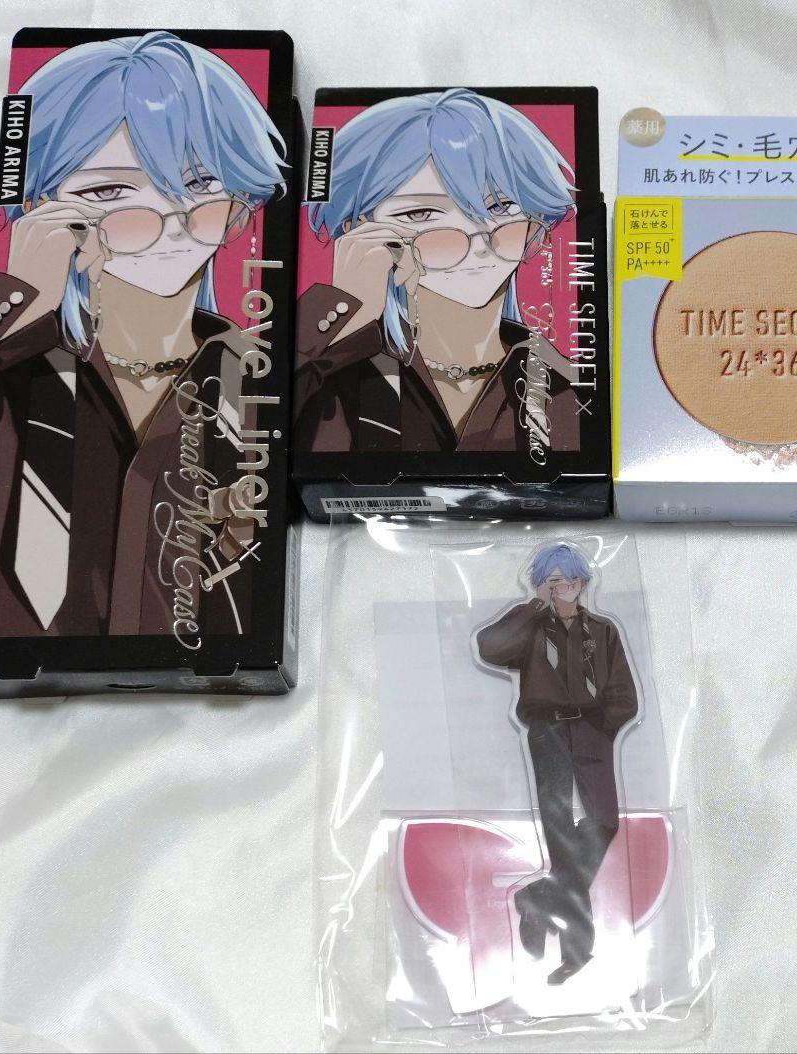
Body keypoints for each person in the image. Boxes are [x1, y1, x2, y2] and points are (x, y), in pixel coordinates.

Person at [0, 31, 287, 640]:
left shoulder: (256, 376)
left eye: (198, 185)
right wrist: (19, 303)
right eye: (109, 191)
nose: (168, 219)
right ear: (40, 206)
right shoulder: (12, 364)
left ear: (240, 204)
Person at [294, 88, 581, 454]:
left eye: (500, 207)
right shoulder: (326, 369)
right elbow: (259, 445)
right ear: (359, 230)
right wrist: (340, 313)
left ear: (534, 219)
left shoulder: (568, 387)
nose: (477, 239)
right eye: (421, 213)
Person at [475, 543, 638, 984]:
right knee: (561, 834)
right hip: (546, 731)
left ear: (583, 583)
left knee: (604, 821)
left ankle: (539, 897)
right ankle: (576, 952)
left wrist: (605, 726)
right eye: (552, 581)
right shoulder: (531, 628)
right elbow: (490, 648)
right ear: (540, 586)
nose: (562, 587)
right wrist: (533, 607)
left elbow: (623, 689)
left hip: (591, 730)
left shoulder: (601, 630)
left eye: (568, 580)